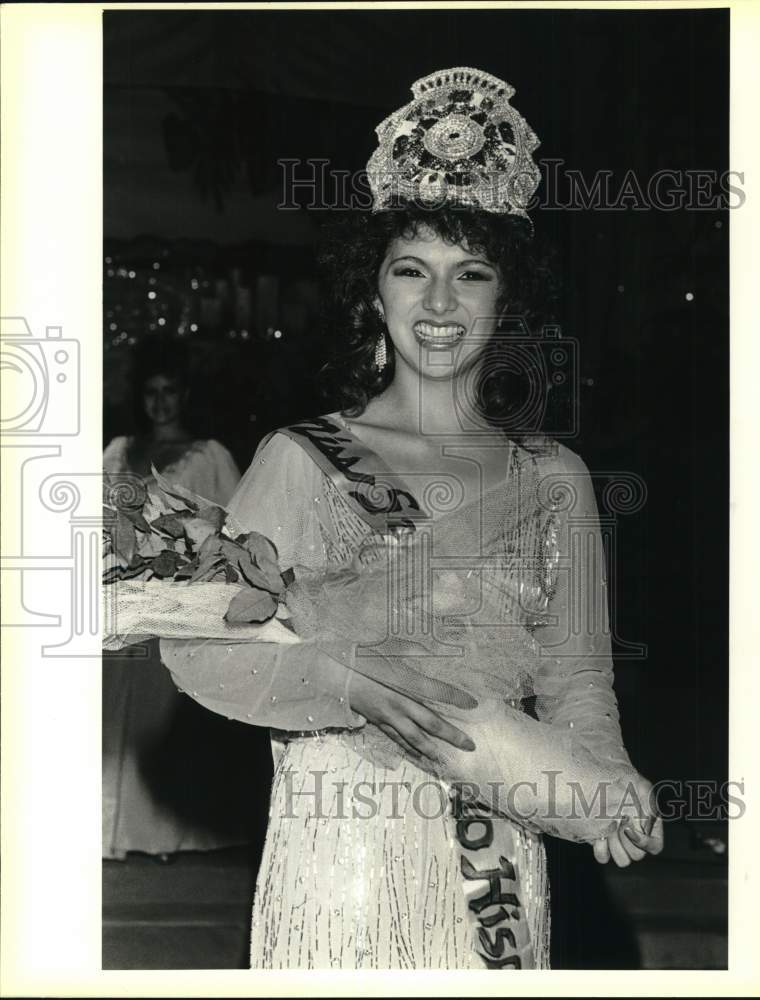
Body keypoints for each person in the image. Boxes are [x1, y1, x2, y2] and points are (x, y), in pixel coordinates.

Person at [159, 67, 663, 968]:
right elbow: (199, 647)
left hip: (499, 832)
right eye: (411, 271)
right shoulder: (304, 456)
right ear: (372, 292)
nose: (438, 305)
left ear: (505, 300)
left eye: (469, 275)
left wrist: (603, 780)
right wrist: (345, 677)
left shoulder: (553, 477)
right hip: (343, 843)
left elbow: (578, 677)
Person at [103, 336, 243, 860]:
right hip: (122, 596)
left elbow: (230, 529)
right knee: (115, 712)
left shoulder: (209, 456)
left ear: (184, 395)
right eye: (150, 392)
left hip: (178, 600)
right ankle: (113, 829)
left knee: (161, 711)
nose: (159, 403)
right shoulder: (119, 451)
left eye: (169, 392)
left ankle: (166, 832)